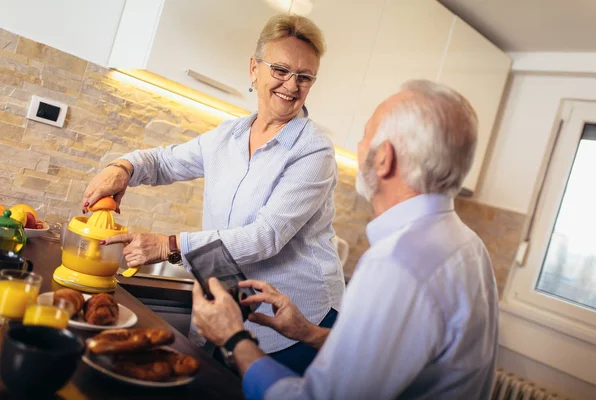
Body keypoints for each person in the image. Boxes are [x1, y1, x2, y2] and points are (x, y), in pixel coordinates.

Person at [191, 80, 499, 399]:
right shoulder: (468, 246)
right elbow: (385, 360)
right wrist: (307, 332)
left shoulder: (397, 264)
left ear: (384, 159)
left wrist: (233, 338)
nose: (359, 143)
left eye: (366, 134)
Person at [81, 14, 345, 374]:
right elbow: (163, 162)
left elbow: (265, 237)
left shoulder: (314, 152)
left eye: (304, 77)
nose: (291, 85)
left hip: (298, 322)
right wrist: (122, 168)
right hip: (233, 311)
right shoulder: (229, 135)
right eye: (280, 70)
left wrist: (168, 245)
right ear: (254, 68)